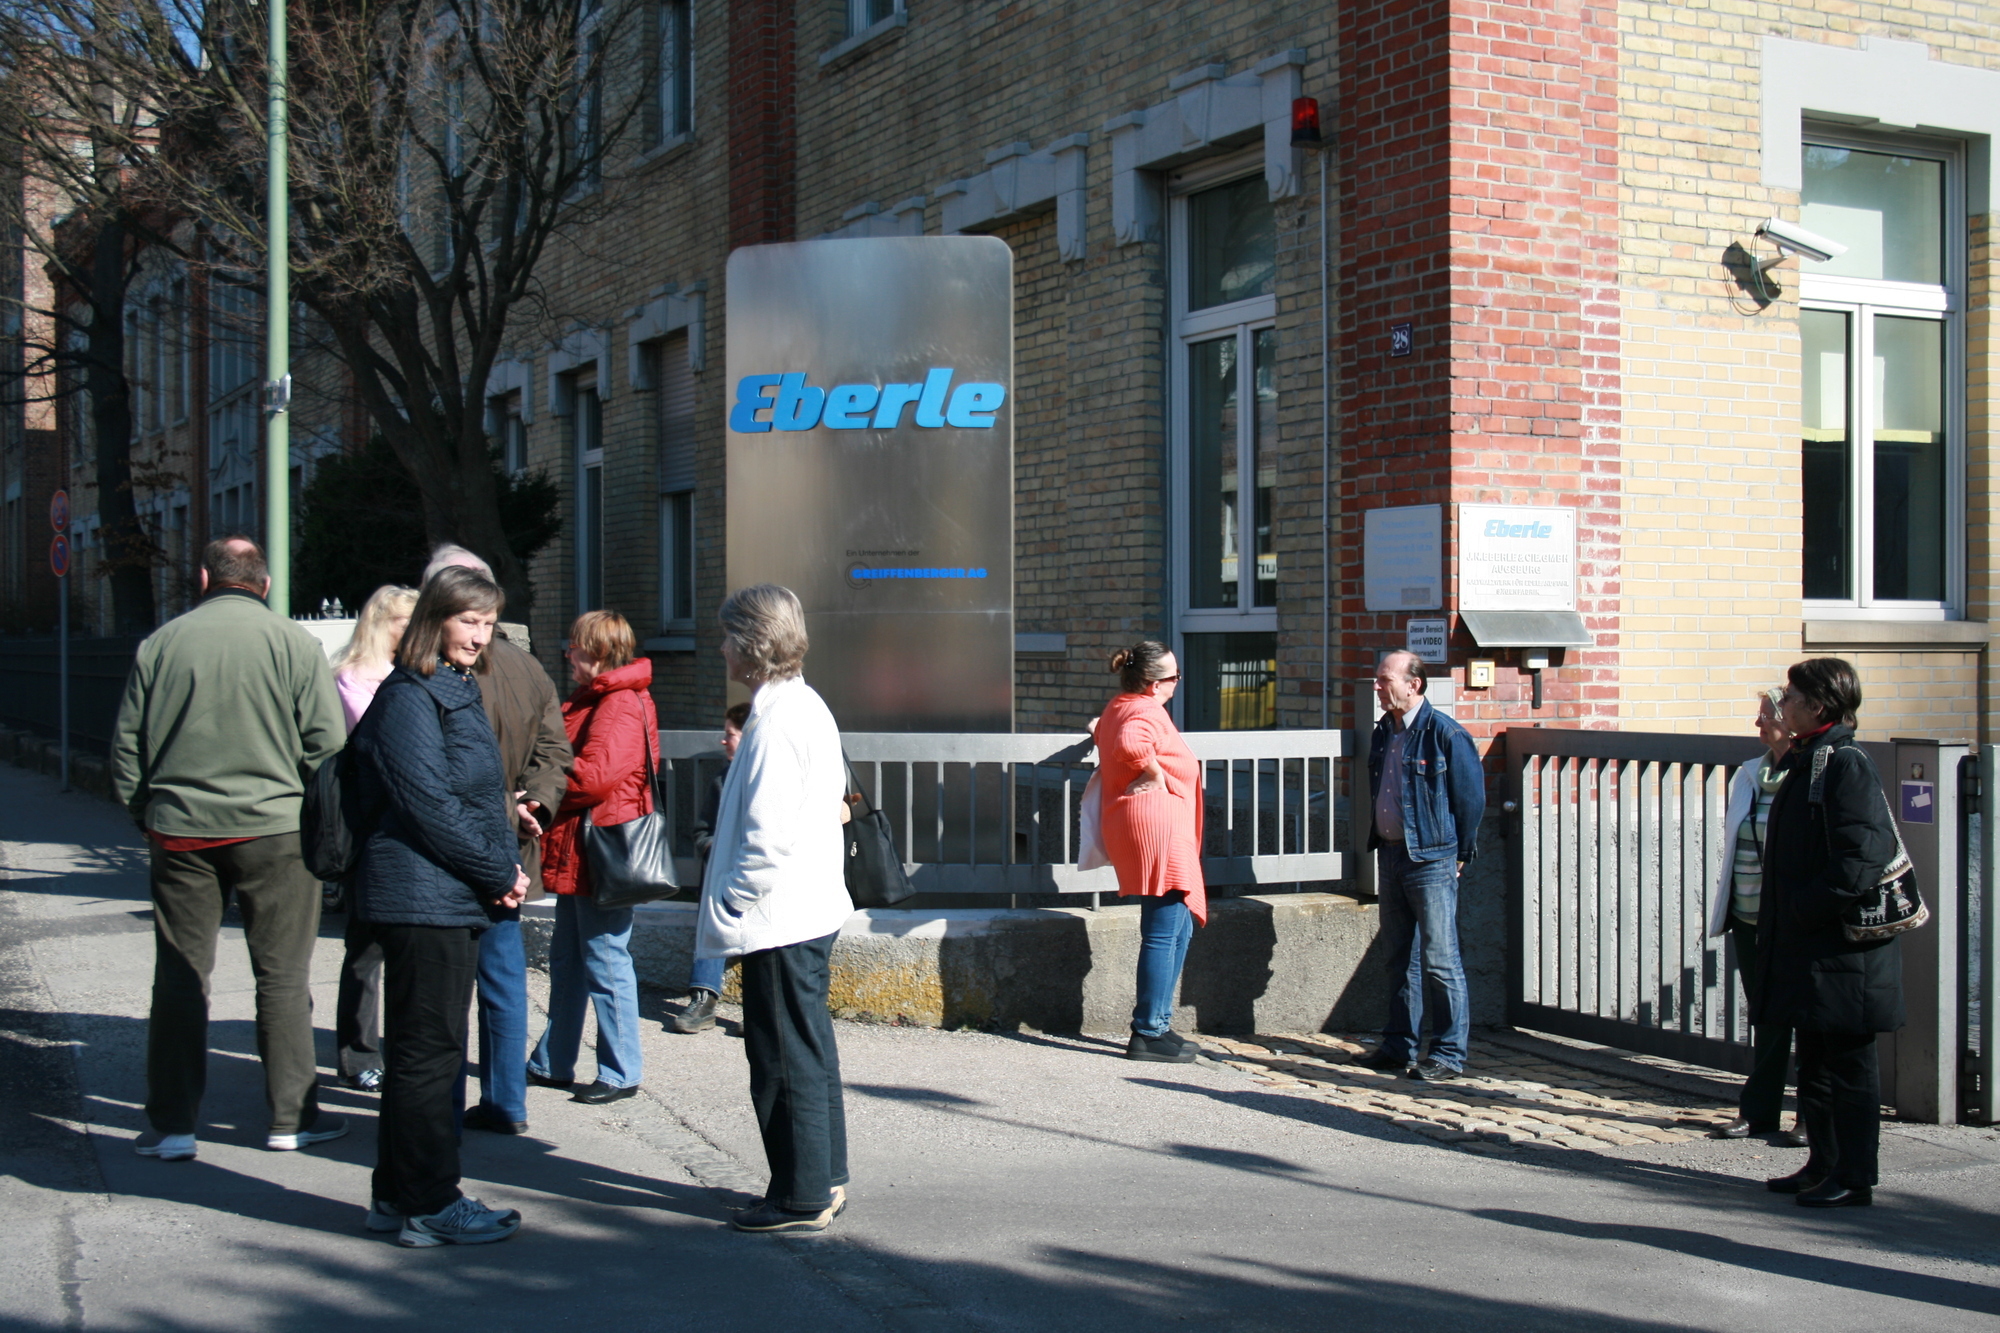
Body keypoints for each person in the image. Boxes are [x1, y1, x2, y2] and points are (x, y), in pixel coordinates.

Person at [113, 536, 349, 1162]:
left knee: (182, 975)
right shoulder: (295, 646)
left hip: (182, 828)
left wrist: (147, 813)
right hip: (275, 830)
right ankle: (290, 1118)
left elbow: (127, 749)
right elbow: (327, 748)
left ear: (202, 579)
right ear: (264, 585)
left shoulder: (161, 645)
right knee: (281, 976)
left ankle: (173, 1123)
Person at [348, 566, 529, 1246]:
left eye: (488, 623)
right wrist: (498, 869)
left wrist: (509, 821)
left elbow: (460, 790)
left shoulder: (447, 686)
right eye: (468, 621)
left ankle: (396, 1196)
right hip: (424, 899)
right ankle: (430, 1200)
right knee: (430, 1055)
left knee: (423, 1053)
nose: (479, 636)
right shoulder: (409, 695)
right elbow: (426, 802)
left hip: (447, 892)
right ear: (437, 619)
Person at [696, 584, 853, 1234]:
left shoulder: (778, 720)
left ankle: (799, 1193)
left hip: (781, 915)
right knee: (806, 1049)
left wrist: (730, 903)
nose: (722, 646)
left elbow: (764, 840)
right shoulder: (799, 706)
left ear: (755, 645)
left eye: (730, 635)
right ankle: (822, 1177)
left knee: (782, 1055)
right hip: (802, 908)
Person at [423, 545, 572, 1137]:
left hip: (453, 847)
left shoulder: (437, 670)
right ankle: (507, 1100)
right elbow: (555, 751)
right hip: (507, 843)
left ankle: (444, 1105)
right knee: (503, 979)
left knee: (444, 984)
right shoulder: (527, 666)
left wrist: (524, 800)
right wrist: (534, 799)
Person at [1757, 658, 1903, 1208]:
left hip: (1844, 949)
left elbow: (1861, 857)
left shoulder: (1845, 763)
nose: (1782, 704)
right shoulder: (1809, 758)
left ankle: (1855, 1174)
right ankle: (1822, 1161)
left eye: (1791, 696)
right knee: (1814, 1059)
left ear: (1817, 705)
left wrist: (1801, 910)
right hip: (1813, 947)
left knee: (1848, 1065)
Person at [527, 610, 654, 1104]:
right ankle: (553, 1061)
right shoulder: (603, 698)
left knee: (603, 959)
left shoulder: (617, 703)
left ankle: (621, 1071)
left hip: (600, 850)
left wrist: (539, 787)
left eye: (576, 646)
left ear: (598, 652)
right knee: (570, 960)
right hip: (584, 849)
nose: (568, 654)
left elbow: (594, 777)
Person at [1354, 650, 1485, 1082]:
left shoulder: (1446, 734)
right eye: (1377, 679)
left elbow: (1470, 799)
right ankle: (1398, 1046)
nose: (1377, 686)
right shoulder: (1384, 731)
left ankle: (1447, 1054)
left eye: (1384, 679)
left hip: (1431, 859)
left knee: (1440, 959)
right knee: (1397, 958)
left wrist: (1461, 853)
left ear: (1414, 684)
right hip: (1391, 854)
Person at [1093, 640, 1207, 1064]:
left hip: (1154, 826)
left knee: (1178, 928)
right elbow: (1129, 741)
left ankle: (1158, 1021)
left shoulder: (1122, 704)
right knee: (1163, 932)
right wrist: (1155, 772)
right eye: (1174, 677)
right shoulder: (1143, 710)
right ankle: (1146, 1032)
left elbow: (1108, 730)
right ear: (1154, 683)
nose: (1178, 683)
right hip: (1159, 828)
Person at [1707, 687, 1805, 1146]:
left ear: (1792, 719)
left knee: (1807, 1016)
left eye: (1766, 715)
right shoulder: (1751, 773)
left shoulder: (1811, 774)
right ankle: (1760, 1111)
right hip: (1748, 915)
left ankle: (1810, 1113)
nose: (1758, 724)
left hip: (1792, 919)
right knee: (1764, 1014)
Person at [330, 584, 419, 1093]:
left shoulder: (408, 675)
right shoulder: (353, 677)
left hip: (407, 828)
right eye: (406, 623)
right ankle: (359, 1052)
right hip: (369, 826)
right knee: (364, 949)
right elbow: (383, 743)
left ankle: (400, 1049)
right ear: (385, 624)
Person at [671, 701, 750, 1034]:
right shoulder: (721, 780)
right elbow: (701, 831)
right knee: (714, 916)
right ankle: (703, 998)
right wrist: (714, 850)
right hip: (721, 882)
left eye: (729, 735)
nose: (723, 741)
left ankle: (760, 1007)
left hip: (761, 882)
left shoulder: (768, 779)